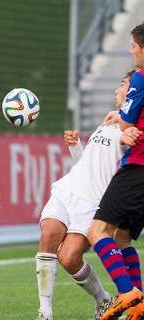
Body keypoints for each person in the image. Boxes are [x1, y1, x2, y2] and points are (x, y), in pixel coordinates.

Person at [35, 70, 140, 320]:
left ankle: (103, 298)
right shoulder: (108, 122)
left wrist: (127, 135)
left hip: (93, 203)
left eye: (123, 85)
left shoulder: (131, 127)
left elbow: (126, 156)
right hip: (68, 189)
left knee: (69, 258)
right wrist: (75, 146)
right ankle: (45, 311)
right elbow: (86, 165)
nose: (117, 90)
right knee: (49, 233)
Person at [88, 22, 144, 320]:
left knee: (98, 232)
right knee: (122, 238)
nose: (130, 50)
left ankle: (127, 293)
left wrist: (124, 124)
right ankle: (138, 308)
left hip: (138, 166)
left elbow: (126, 123)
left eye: (133, 46)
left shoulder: (141, 77)